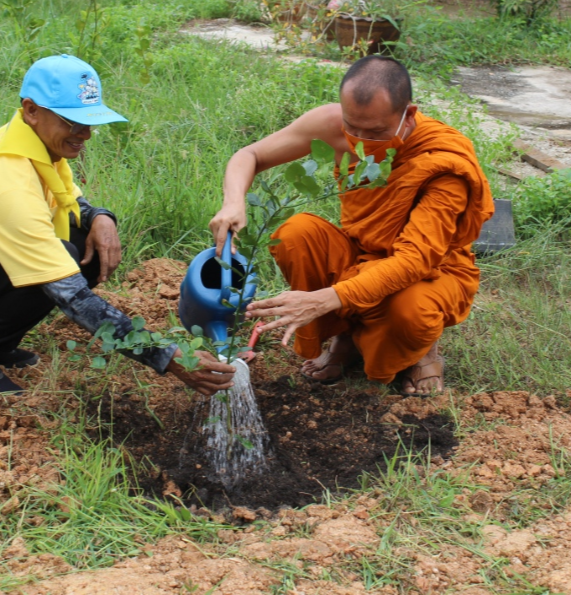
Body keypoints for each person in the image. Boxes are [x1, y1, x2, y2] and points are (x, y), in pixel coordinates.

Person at [0, 54, 234, 395]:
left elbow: (72, 202)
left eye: (89, 122)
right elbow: (72, 296)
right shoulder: (6, 181)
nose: (86, 134)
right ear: (32, 110)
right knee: (59, 261)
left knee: (80, 240)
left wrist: (101, 217)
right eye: (72, 122)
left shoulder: (33, 145)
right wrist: (166, 356)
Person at [209, 55, 494, 394]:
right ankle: (345, 335)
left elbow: (414, 261)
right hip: (361, 252)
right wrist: (233, 202)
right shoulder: (332, 124)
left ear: (408, 114)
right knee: (295, 235)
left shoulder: (442, 164)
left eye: (375, 132)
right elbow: (250, 155)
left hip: (428, 270)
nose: (360, 141)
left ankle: (421, 351)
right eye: (352, 128)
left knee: (411, 310)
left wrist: (323, 300)